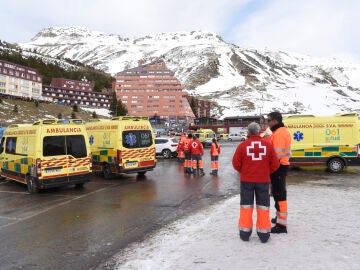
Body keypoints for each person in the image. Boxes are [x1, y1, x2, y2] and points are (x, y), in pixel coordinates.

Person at [232, 122, 279, 243]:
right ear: (259, 132)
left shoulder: (242, 146)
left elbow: (236, 164)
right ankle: (264, 234)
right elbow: (275, 164)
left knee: (246, 207)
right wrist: (265, 172)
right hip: (263, 181)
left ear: (248, 132)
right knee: (263, 207)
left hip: (246, 181)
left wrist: (245, 171)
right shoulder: (267, 146)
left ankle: (245, 233)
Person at [267, 111, 291, 234]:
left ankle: (281, 225)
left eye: (269, 120)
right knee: (278, 194)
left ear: (275, 121)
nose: (268, 123)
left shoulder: (279, 134)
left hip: (278, 167)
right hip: (281, 167)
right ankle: (279, 218)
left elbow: (276, 156)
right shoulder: (279, 132)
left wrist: (270, 169)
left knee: (279, 195)